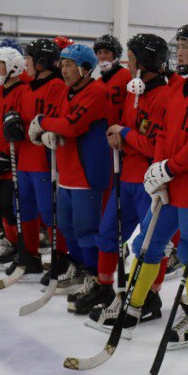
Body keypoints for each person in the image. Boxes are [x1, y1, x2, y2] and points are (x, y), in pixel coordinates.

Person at [89, 22, 188, 331]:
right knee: (147, 243)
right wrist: (156, 171)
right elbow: (164, 136)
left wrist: (168, 168)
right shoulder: (176, 87)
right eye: (180, 45)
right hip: (167, 182)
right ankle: (134, 305)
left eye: (186, 45)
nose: (180, 51)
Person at [71, 34, 172, 316]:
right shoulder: (134, 92)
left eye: (131, 57)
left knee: (152, 244)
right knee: (107, 235)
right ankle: (105, 286)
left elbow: (152, 145)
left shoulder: (163, 96)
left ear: (145, 61)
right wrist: (116, 136)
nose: (127, 62)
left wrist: (124, 134)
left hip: (149, 183)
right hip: (125, 176)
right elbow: (124, 129)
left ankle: (150, 296)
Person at [33, 43, 110, 293]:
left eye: (69, 65)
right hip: (66, 171)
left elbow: (72, 126)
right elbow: (62, 124)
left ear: (85, 69)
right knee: (67, 226)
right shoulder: (69, 92)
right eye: (62, 64)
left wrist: (45, 123)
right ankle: (77, 267)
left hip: (86, 174)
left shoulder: (96, 92)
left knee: (86, 230)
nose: (63, 70)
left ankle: (92, 273)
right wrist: (51, 133)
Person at [4, 38, 71, 283]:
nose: (25, 64)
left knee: (49, 212)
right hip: (25, 160)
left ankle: (60, 257)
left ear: (41, 62)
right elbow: (22, 119)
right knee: (25, 208)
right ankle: (29, 256)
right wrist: (13, 124)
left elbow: (57, 121)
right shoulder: (27, 87)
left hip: (45, 161)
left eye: (29, 60)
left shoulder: (57, 86)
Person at [0, 46, 34, 272]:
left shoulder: (23, 92)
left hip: (13, 161)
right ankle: (10, 241)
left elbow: (21, 127)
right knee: (1, 206)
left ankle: (17, 245)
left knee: (11, 205)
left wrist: (5, 155)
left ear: (12, 67)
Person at [92, 34, 132, 125]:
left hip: (122, 133)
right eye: (99, 52)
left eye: (106, 52)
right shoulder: (97, 83)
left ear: (115, 54)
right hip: (103, 134)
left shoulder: (128, 76)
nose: (102, 56)